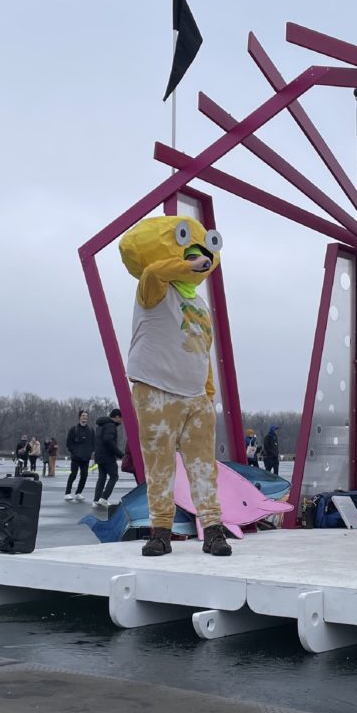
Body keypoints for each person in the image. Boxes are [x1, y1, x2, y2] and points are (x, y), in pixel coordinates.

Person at [118, 215, 232, 557]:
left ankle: (212, 529)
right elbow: (155, 271)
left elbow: (203, 347)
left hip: (195, 395)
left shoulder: (199, 303)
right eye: (191, 254)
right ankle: (161, 531)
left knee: (202, 465)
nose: (200, 262)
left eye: (204, 256)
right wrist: (188, 263)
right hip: (156, 388)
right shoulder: (153, 290)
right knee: (160, 463)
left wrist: (208, 392)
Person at [92, 408, 122, 508]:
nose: (122, 421)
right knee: (114, 476)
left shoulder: (101, 426)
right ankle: (104, 498)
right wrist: (120, 454)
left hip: (99, 456)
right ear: (117, 417)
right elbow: (109, 441)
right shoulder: (110, 425)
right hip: (107, 456)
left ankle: (96, 500)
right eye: (121, 418)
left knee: (102, 478)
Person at [64, 410, 94, 502]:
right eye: (83, 415)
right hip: (76, 457)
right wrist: (74, 452)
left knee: (84, 475)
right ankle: (67, 493)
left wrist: (90, 452)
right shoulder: (74, 429)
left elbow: (94, 443)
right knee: (73, 474)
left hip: (86, 458)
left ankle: (78, 493)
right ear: (79, 417)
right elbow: (69, 443)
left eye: (86, 416)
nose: (85, 417)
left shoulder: (91, 430)